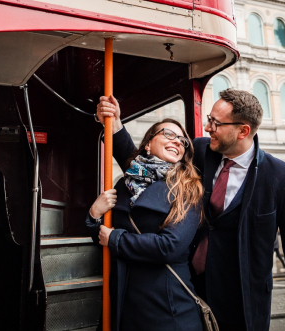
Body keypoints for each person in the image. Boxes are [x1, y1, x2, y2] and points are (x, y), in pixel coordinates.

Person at [97, 90, 285, 331]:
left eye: (216, 123)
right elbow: (147, 167)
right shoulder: (201, 151)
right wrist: (115, 126)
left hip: (242, 305)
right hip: (190, 291)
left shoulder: (282, 178)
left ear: (243, 131)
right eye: (209, 119)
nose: (208, 127)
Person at [86, 119, 204, 331]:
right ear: (148, 144)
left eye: (182, 141)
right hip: (125, 300)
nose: (177, 142)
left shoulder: (188, 190)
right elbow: (103, 236)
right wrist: (94, 215)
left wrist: (117, 239)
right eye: (169, 134)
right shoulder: (125, 184)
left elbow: (169, 246)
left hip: (166, 305)